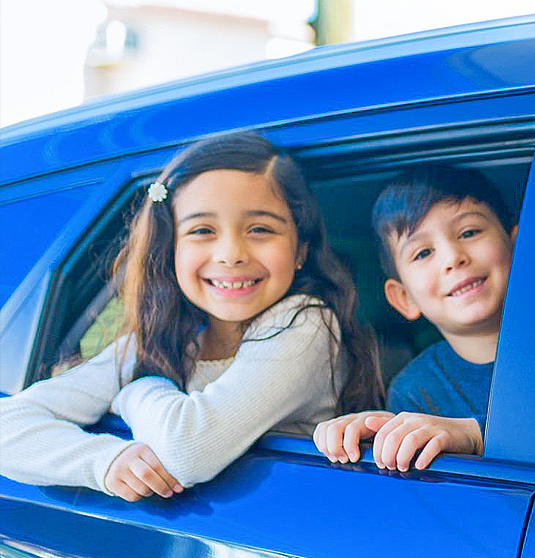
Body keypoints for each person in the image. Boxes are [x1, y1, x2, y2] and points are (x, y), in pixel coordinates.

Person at [0, 131, 380, 501]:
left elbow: (188, 450)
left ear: (300, 251)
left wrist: (133, 392)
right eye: (202, 230)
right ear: (170, 251)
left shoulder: (306, 322)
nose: (231, 253)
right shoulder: (163, 340)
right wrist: (104, 460)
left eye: (260, 229)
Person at [314, 165, 515, 471]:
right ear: (403, 298)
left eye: (469, 232)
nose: (453, 258)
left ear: (518, 245)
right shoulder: (416, 390)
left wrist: (475, 436)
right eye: (423, 253)